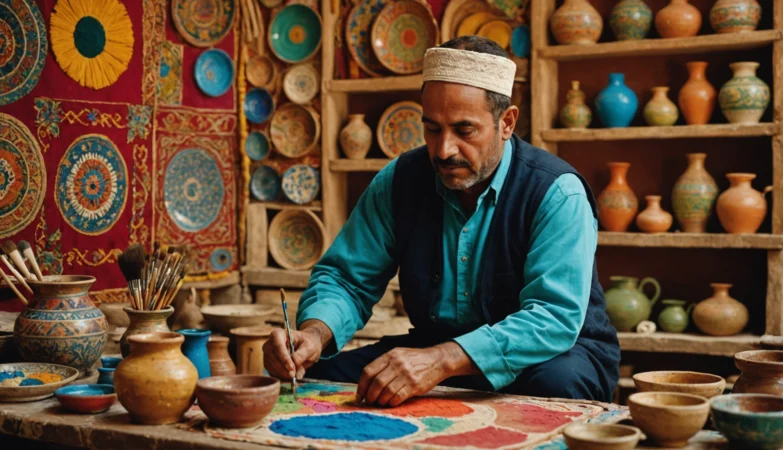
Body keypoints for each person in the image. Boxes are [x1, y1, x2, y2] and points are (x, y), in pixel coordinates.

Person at [263, 36, 620, 406]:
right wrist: (314, 334)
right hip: (432, 350)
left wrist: (442, 359)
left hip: (550, 356)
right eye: (432, 129)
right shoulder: (399, 181)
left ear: (507, 122)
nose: (444, 149)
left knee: (554, 388)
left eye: (464, 131)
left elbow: (553, 317)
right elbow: (346, 279)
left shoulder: (557, 193)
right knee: (322, 378)